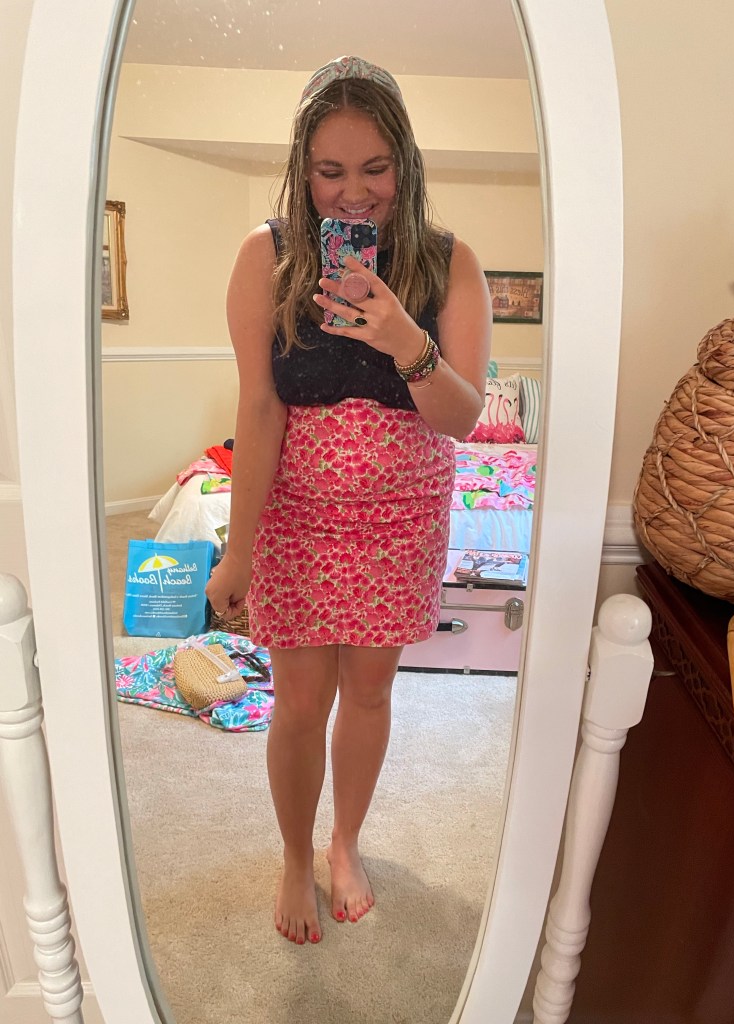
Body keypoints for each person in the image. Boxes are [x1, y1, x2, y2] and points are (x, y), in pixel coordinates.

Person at [205, 55, 492, 946]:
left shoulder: (450, 262)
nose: (354, 193)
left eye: (375, 168)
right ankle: (296, 854)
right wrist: (239, 548)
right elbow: (259, 407)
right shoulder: (266, 257)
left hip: (402, 519)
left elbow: (463, 417)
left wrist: (405, 338)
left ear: (406, 162)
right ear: (303, 168)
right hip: (296, 516)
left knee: (369, 692)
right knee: (299, 700)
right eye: (331, 171)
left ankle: (346, 842)